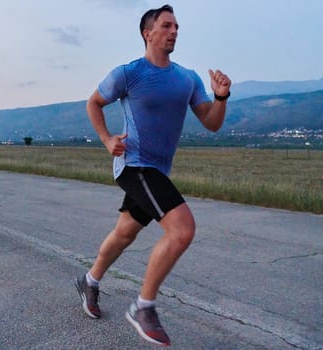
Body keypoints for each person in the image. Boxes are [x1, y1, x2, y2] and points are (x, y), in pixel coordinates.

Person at [74, 4, 231, 346]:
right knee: (182, 229)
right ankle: (143, 307)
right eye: (167, 25)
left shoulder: (186, 78)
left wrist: (221, 96)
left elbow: (213, 122)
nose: (174, 31)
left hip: (158, 169)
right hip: (135, 164)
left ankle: (90, 280)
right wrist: (107, 139)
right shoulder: (128, 73)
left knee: (125, 232)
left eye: (177, 26)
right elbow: (94, 103)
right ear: (148, 33)